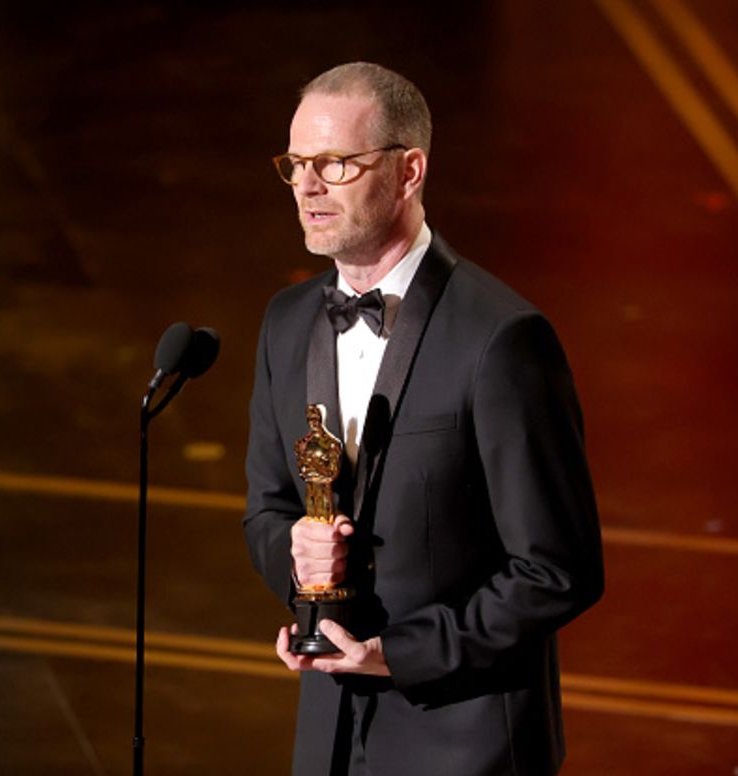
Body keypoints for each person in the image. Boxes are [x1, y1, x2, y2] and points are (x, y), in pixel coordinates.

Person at [243, 62, 604, 776]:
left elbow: (558, 569)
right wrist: (298, 558)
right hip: (330, 741)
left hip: (465, 743)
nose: (308, 187)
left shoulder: (500, 339)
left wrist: (399, 653)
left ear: (409, 171)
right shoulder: (286, 324)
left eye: (337, 164)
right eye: (296, 164)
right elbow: (267, 509)